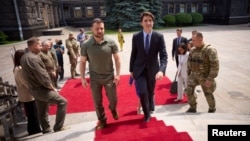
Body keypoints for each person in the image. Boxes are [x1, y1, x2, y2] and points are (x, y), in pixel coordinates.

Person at [79, 18, 121, 130]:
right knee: (97, 102)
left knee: (113, 100)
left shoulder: (111, 42)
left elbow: (117, 59)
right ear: (91, 29)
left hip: (109, 77)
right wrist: (82, 78)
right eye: (97, 28)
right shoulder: (86, 45)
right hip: (95, 78)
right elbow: (82, 62)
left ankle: (113, 109)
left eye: (102, 28)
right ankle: (102, 120)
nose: (100, 31)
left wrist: (118, 74)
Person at [20, 37, 68, 133]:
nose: (41, 47)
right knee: (63, 102)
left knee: (42, 110)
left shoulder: (25, 57)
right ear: (34, 46)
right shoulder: (33, 58)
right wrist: (51, 87)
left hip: (34, 88)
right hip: (41, 88)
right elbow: (42, 75)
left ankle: (46, 129)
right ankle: (58, 126)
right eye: (40, 45)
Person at [129, 12, 168, 122]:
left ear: (153, 22)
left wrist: (161, 70)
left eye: (150, 20)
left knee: (150, 92)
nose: (148, 23)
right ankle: (147, 115)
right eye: (145, 20)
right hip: (139, 70)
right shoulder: (136, 37)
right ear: (141, 23)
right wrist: (131, 70)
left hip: (153, 71)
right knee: (142, 92)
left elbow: (164, 55)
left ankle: (151, 104)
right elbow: (134, 54)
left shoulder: (159, 37)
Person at [185, 32, 219, 113]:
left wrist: (210, 79)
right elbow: (189, 63)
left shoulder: (210, 50)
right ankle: (193, 107)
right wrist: (188, 75)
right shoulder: (192, 50)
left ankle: (212, 109)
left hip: (205, 76)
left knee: (208, 93)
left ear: (200, 39)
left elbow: (215, 66)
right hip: (194, 75)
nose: (192, 42)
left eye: (194, 40)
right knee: (188, 91)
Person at [13, 49, 41, 135]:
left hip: (26, 94)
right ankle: (34, 130)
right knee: (32, 114)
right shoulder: (20, 69)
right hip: (27, 95)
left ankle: (34, 129)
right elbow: (26, 82)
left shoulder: (17, 68)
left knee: (32, 113)